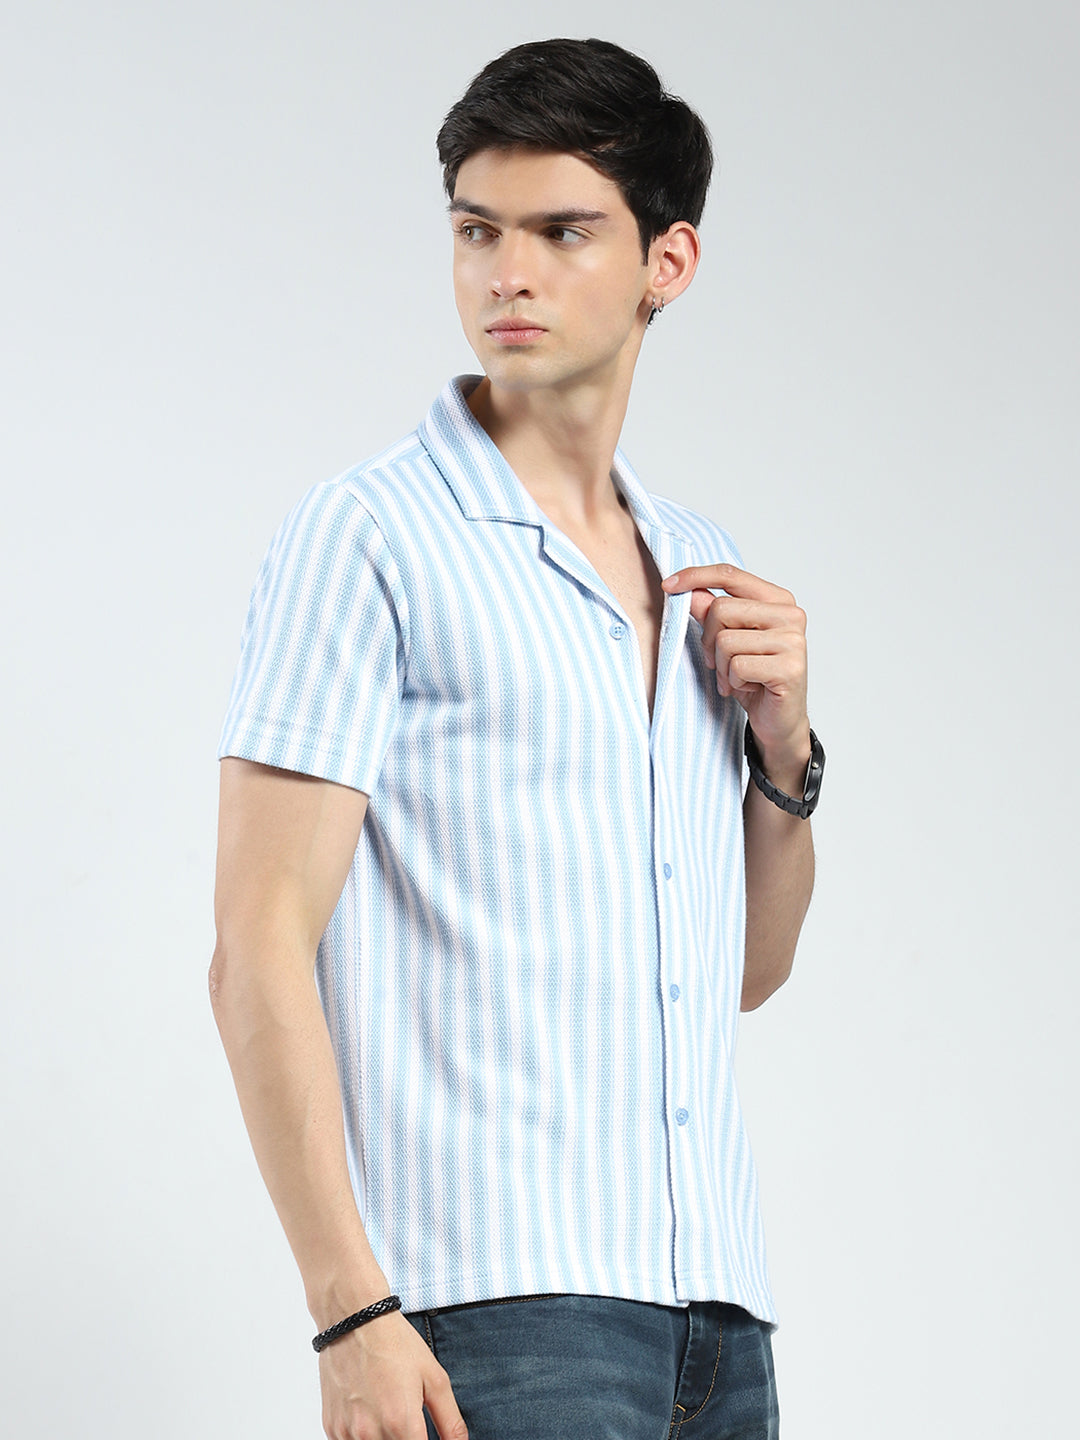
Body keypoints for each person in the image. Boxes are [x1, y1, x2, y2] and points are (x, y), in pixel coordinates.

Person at [210, 36, 821, 1440]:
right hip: (494, 1311)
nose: (507, 274)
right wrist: (351, 1309)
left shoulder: (701, 567)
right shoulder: (370, 536)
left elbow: (743, 973)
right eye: (478, 231)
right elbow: (255, 942)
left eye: (562, 232)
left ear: (668, 261)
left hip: (719, 1322)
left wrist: (784, 757)